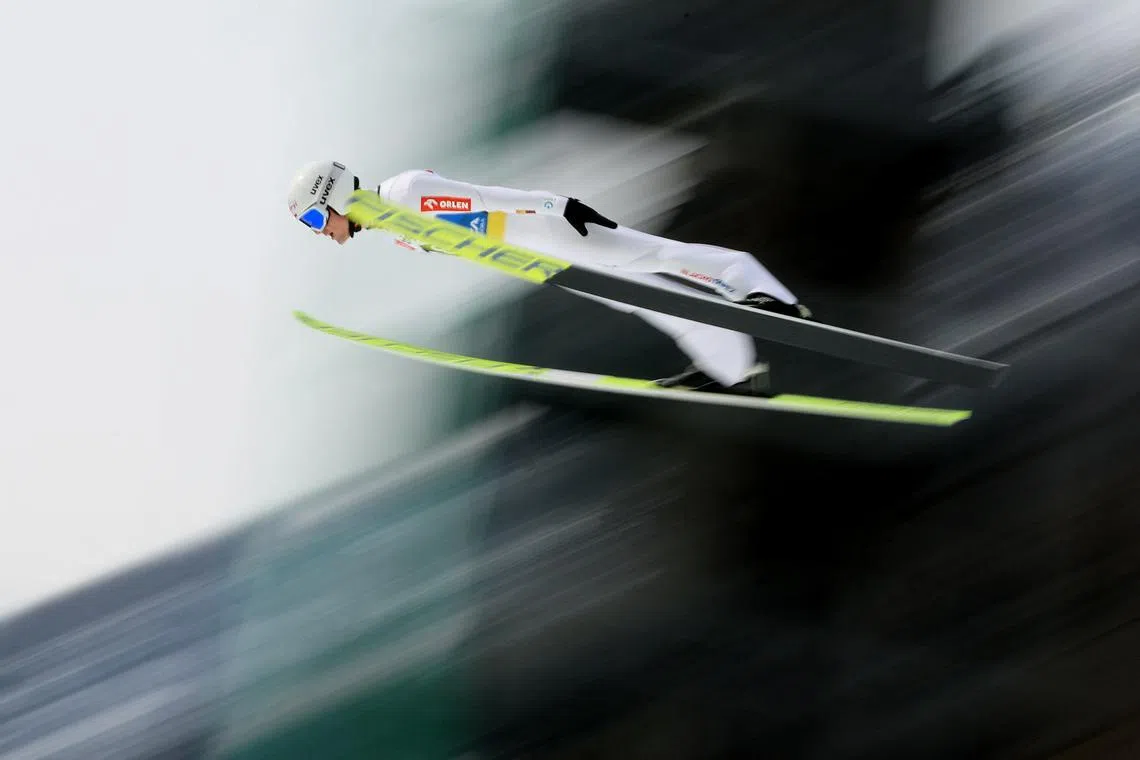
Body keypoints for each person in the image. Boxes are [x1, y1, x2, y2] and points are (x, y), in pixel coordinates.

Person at [286, 160, 812, 395]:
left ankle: (763, 292)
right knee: (643, 298)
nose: (319, 232)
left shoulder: (403, 196)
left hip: (552, 234)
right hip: (536, 254)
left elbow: (484, 199)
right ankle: (734, 371)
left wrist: (559, 206)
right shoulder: (397, 229)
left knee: (653, 257)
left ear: (334, 196)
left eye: (314, 218)